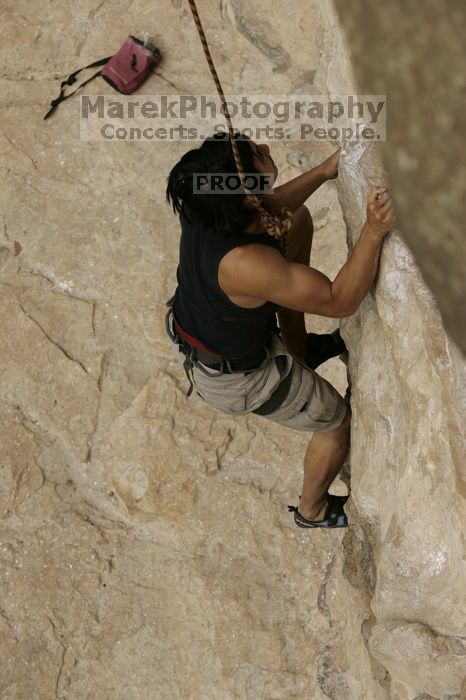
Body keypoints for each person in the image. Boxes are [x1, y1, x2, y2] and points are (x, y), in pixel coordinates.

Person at [164, 132, 394, 529]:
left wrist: (325, 171)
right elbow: (340, 300)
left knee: (296, 221)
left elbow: (263, 202)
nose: (267, 149)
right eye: (257, 154)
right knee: (336, 423)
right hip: (237, 376)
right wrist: (374, 230)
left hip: (207, 329)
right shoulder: (247, 265)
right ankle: (312, 511)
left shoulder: (203, 199)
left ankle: (298, 350)